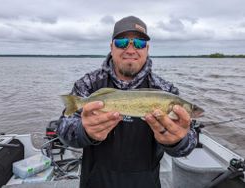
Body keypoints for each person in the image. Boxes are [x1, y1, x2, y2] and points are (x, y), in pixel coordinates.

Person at [58, 16, 197, 188]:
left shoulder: (166, 91)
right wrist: (84, 131)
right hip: (95, 181)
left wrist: (177, 141)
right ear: (111, 47)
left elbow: (190, 141)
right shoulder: (88, 84)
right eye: (122, 42)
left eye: (138, 43)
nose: (130, 49)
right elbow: (62, 132)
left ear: (147, 49)